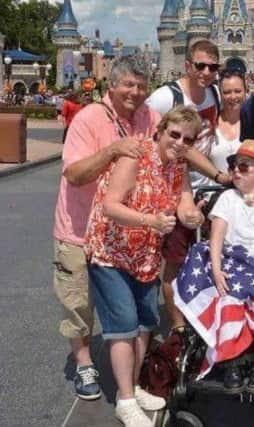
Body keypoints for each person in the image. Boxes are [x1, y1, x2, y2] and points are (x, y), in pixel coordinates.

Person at [84, 106, 205, 427]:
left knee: (144, 323)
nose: (179, 143)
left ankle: (134, 387)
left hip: (146, 256)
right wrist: (150, 221)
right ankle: (125, 400)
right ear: (161, 130)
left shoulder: (179, 166)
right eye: (174, 134)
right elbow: (110, 205)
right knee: (123, 322)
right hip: (110, 251)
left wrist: (191, 214)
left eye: (187, 139)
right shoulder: (136, 155)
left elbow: (184, 202)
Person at [52, 56, 161, 402]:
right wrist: (113, 150)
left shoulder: (149, 117)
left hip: (126, 235)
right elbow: (74, 174)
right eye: (128, 84)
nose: (135, 92)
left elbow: (172, 148)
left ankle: (132, 375)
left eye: (141, 86)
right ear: (111, 85)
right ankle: (84, 361)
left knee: (126, 309)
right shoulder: (88, 119)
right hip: (80, 229)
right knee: (79, 304)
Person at [180, 140, 254, 393]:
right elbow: (216, 239)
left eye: (243, 167)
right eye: (233, 166)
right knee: (228, 299)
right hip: (230, 261)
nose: (235, 171)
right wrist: (216, 270)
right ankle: (232, 359)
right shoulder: (227, 198)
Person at [146, 40, 231, 333]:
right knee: (176, 264)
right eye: (200, 66)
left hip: (207, 195)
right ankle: (179, 330)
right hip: (174, 191)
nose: (206, 72)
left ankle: (204, 323)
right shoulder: (164, 97)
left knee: (207, 261)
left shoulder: (215, 94)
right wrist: (219, 175)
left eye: (212, 67)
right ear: (187, 66)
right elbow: (176, 147)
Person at [205, 67, 246, 184]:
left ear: (246, 91)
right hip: (213, 194)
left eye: (237, 91)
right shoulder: (210, 124)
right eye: (227, 92)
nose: (233, 97)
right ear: (220, 94)